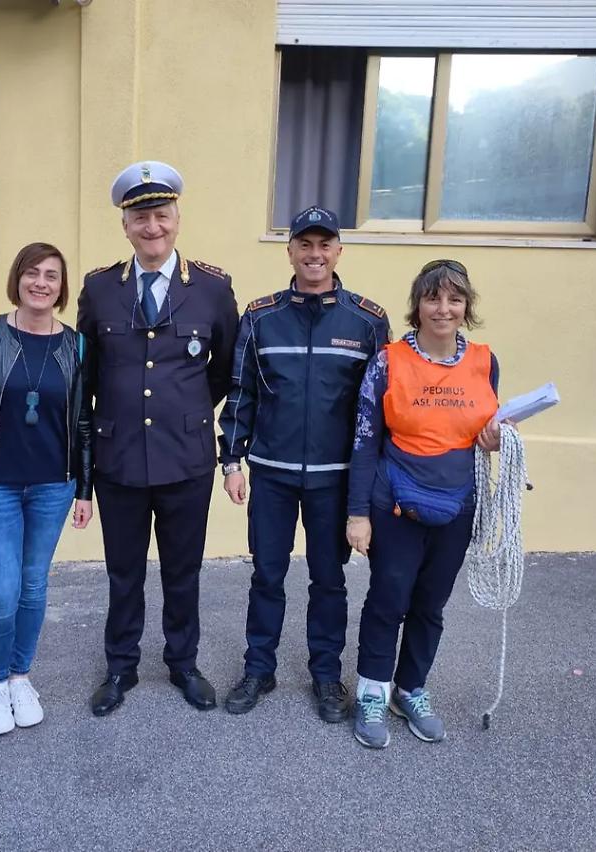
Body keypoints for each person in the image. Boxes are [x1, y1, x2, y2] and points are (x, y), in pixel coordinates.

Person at [77, 160, 239, 716]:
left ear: (177, 219)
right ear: (125, 225)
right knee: (123, 570)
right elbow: (88, 371)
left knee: (182, 568)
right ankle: (120, 666)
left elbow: (224, 371)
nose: (153, 227)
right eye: (141, 217)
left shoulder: (213, 289)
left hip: (186, 455)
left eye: (162, 215)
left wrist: (188, 412)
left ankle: (182, 663)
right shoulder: (100, 289)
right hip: (118, 455)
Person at [217, 206, 390, 723]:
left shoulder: (367, 320)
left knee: (329, 579)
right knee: (266, 575)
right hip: (270, 472)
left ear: (339, 251)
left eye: (325, 245)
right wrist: (231, 461)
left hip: (334, 481)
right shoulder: (261, 316)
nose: (315, 255)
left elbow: (380, 407)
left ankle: (325, 675)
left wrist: (375, 481)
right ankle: (258, 668)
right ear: (289, 251)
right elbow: (240, 392)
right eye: (304, 245)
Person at [0, 242, 94, 736]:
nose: (41, 283)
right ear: (17, 278)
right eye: (32, 273)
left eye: (52, 276)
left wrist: (85, 488)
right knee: (2, 590)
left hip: (53, 484)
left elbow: (84, 421)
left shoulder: (77, 345)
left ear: (61, 287)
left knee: (33, 586)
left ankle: (22, 676)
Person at [346, 259, 502, 749]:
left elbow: (483, 433)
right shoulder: (387, 362)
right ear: (417, 304)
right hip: (395, 503)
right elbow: (364, 441)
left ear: (466, 307)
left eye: (454, 299)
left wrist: (497, 440)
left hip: (456, 506)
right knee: (389, 599)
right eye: (433, 298)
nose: (443, 308)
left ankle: (410, 689)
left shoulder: (485, 361)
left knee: (431, 604)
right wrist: (356, 515)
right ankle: (373, 690)